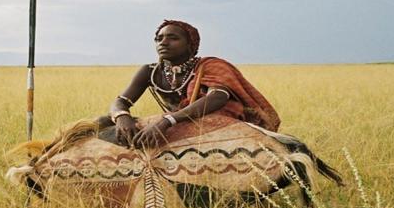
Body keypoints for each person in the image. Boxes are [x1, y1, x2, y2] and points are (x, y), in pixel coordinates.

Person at [109, 20, 281, 149]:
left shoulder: (211, 66)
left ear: (190, 44)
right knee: (105, 123)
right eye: (158, 38)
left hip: (212, 121)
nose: (163, 42)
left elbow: (218, 97)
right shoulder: (150, 71)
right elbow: (121, 101)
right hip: (177, 122)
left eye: (173, 38)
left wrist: (166, 121)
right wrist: (122, 117)